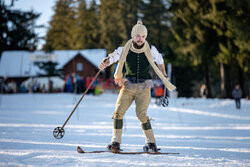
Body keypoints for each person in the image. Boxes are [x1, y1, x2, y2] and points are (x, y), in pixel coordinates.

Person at [99, 21, 176, 152]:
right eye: (137, 36)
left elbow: (160, 60)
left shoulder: (151, 49)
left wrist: (164, 73)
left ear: (145, 37)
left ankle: (151, 143)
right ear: (133, 36)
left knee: (142, 115)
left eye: (143, 36)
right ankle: (115, 142)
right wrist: (106, 61)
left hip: (144, 88)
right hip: (127, 87)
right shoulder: (125, 49)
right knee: (118, 113)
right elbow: (113, 57)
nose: (140, 39)